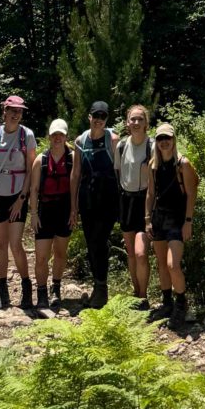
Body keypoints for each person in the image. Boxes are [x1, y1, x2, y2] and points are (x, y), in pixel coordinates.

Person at [0, 94, 36, 311]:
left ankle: (26, 288)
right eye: (12, 110)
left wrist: (22, 199)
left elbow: (32, 169)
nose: (16, 114)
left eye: (19, 111)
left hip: (17, 195)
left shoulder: (27, 136)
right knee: (1, 243)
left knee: (15, 244)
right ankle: (3, 289)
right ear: (4, 111)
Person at [145, 121, 197, 330]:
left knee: (172, 264)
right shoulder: (153, 165)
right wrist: (147, 219)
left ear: (173, 140)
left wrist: (188, 221)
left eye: (167, 138)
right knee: (161, 263)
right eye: (160, 139)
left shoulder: (182, 164)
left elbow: (192, 193)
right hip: (159, 217)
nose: (164, 142)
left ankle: (181, 303)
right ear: (156, 142)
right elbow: (150, 193)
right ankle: (167, 303)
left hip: (178, 218)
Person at [72, 101, 120, 307]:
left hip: (108, 197)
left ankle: (102, 289)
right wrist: (73, 206)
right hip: (87, 197)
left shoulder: (113, 139)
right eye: (96, 115)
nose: (99, 119)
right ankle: (98, 286)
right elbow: (75, 174)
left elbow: (120, 171)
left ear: (107, 119)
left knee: (99, 240)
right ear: (89, 117)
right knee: (91, 242)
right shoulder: (80, 141)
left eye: (103, 116)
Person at [31, 117, 74, 312]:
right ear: (49, 136)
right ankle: (41, 293)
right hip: (45, 210)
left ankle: (55, 288)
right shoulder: (41, 160)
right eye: (54, 134)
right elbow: (33, 190)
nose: (57, 138)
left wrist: (74, 211)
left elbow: (75, 188)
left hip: (64, 210)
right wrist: (33, 214)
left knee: (60, 253)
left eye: (61, 134)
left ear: (66, 136)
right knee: (41, 256)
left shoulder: (73, 159)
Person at [117, 105, 155, 308]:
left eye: (140, 119)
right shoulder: (122, 146)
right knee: (131, 252)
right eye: (133, 119)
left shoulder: (153, 145)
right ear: (127, 123)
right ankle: (136, 293)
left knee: (141, 253)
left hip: (145, 201)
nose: (137, 123)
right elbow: (118, 174)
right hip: (126, 201)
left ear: (146, 123)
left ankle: (143, 295)